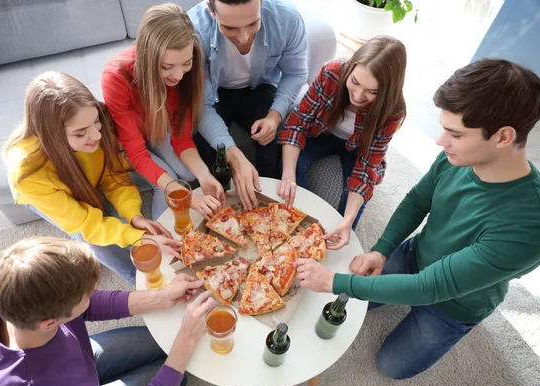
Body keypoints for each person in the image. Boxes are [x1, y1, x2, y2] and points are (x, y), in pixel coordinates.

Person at [294, 58, 540, 380]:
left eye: (455, 133)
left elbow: (432, 287)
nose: (440, 141)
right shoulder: (457, 156)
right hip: (417, 256)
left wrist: (332, 281)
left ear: (503, 137)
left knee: (391, 366)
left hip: (456, 303)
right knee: (355, 302)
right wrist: (382, 249)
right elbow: (417, 200)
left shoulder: (528, 228)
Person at [0, 237, 214, 386]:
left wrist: (160, 297)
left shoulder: (2, 286)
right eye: (87, 295)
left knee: (163, 343)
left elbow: (86, 305)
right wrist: (186, 341)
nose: (92, 296)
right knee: (178, 373)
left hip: (71, 365)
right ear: (50, 323)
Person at [5, 72, 179, 285]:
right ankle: (136, 279)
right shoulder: (27, 176)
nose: (97, 136)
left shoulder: (95, 123)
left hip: (85, 175)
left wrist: (134, 216)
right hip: (46, 192)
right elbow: (87, 224)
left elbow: (114, 177)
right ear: (53, 136)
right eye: (80, 133)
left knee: (117, 221)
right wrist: (140, 238)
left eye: (96, 121)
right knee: (91, 238)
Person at [278, 36, 407, 244]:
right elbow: (297, 124)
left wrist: (348, 220)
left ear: (385, 92)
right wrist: (288, 177)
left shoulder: (393, 110)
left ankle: (334, 238)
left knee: (355, 198)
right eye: (354, 82)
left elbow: (366, 169)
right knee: (291, 167)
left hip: (358, 147)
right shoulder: (332, 72)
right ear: (351, 70)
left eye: (371, 91)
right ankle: (300, 226)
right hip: (320, 132)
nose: (357, 95)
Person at [102, 3, 225, 220]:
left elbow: (181, 135)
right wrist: (182, 194)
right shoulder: (116, 77)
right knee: (173, 184)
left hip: (159, 129)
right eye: (166, 67)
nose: (178, 76)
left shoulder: (189, 70)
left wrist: (205, 177)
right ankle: (166, 236)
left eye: (185, 64)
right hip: (127, 143)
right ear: (147, 59)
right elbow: (137, 152)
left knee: (189, 173)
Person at [189, 0, 309, 210]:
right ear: (211, 10)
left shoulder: (287, 19)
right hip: (213, 92)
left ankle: (270, 209)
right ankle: (220, 208)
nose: (243, 37)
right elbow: (202, 106)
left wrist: (275, 115)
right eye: (230, 28)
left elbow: (296, 72)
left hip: (259, 86)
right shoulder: (193, 30)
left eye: (253, 24)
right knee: (209, 147)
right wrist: (233, 156)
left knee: (273, 142)